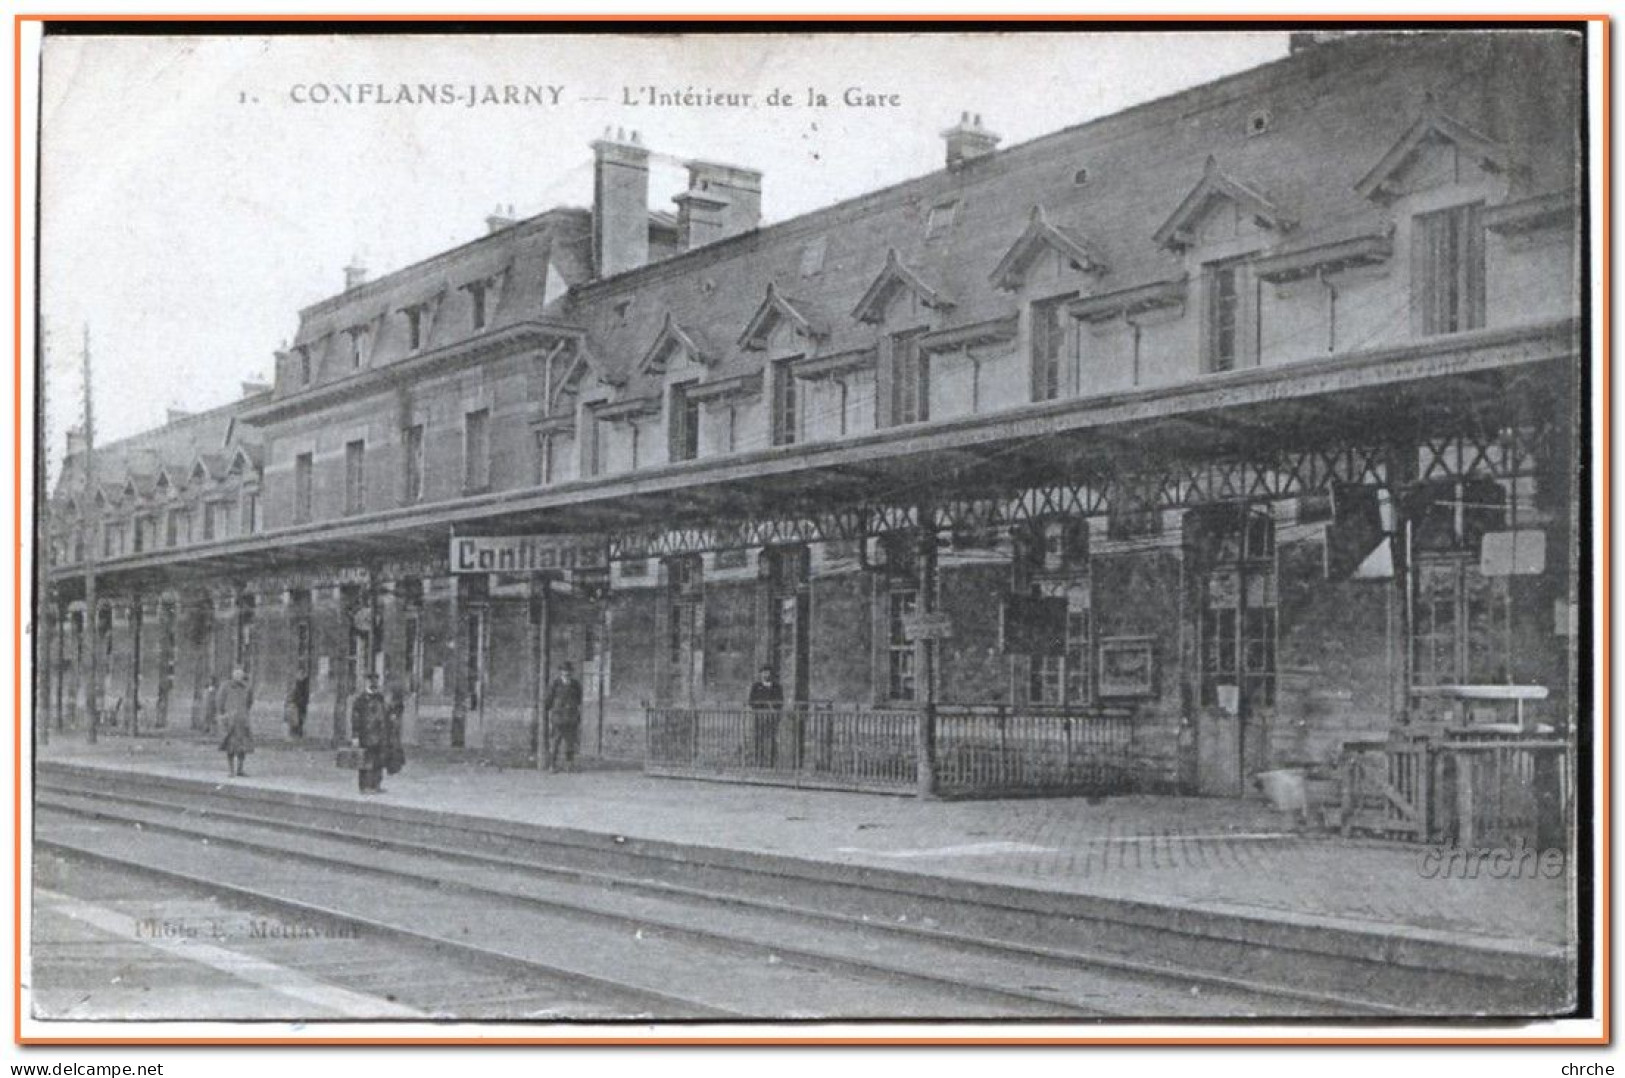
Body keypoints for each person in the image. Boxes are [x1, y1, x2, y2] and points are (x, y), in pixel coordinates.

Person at [351, 673, 388, 794]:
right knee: (366, 760)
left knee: (378, 760)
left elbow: (384, 714)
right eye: (372, 681)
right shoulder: (361, 699)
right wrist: (355, 735)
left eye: (376, 681)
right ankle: (365, 786)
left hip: (380, 734)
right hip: (366, 734)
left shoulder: (380, 697)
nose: (375, 684)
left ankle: (376, 784)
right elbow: (355, 718)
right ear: (367, 683)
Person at [544, 662, 584, 772]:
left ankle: (569, 765)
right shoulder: (555, 684)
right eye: (564, 671)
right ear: (561, 672)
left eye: (568, 671)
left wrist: (575, 711)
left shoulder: (575, 685)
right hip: (559, 717)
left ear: (571, 672)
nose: (566, 673)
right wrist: (551, 712)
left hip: (571, 717)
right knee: (556, 741)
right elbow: (548, 700)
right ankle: (552, 765)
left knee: (570, 742)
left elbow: (579, 699)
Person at [217, 668, 254, 777]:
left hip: (242, 720)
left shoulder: (247, 687)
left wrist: (244, 713)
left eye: (240, 675)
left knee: (243, 746)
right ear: (233, 675)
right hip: (230, 721)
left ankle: (240, 769)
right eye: (236, 675)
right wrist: (223, 715)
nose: (239, 677)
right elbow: (220, 701)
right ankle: (231, 770)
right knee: (230, 746)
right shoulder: (226, 686)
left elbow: (250, 702)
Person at [747, 665, 783, 768]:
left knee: (772, 739)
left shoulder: (777, 687)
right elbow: (751, 701)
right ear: (760, 674)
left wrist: (773, 708)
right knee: (759, 738)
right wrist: (761, 706)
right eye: (763, 672)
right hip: (759, 717)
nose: (765, 675)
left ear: (771, 674)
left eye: (767, 672)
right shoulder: (756, 686)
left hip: (772, 718)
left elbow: (780, 702)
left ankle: (772, 762)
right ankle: (759, 761)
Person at [384, 684, 407, 778]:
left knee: (393, 746)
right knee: (393, 745)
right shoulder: (396, 705)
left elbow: (394, 716)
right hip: (391, 728)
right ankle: (393, 766)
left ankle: (393, 767)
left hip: (392, 728)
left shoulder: (396, 705)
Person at [286, 672, 309, 739]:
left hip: (299, 705)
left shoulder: (302, 687)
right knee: (297, 720)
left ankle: (296, 733)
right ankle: (295, 733)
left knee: (299, 720)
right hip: (297, 705)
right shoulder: (298, 687)